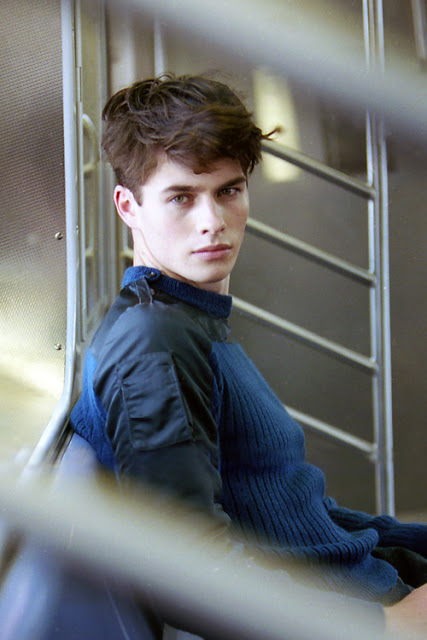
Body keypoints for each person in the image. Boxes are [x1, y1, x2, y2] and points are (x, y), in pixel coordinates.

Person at [70, 74, 427, 637]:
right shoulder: (153, 344)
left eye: (228, 191)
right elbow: (185, 573)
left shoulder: (190, 321)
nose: (211, 221)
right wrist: (388, 622)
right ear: (127, 206)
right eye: (181, 197)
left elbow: (304, 517)